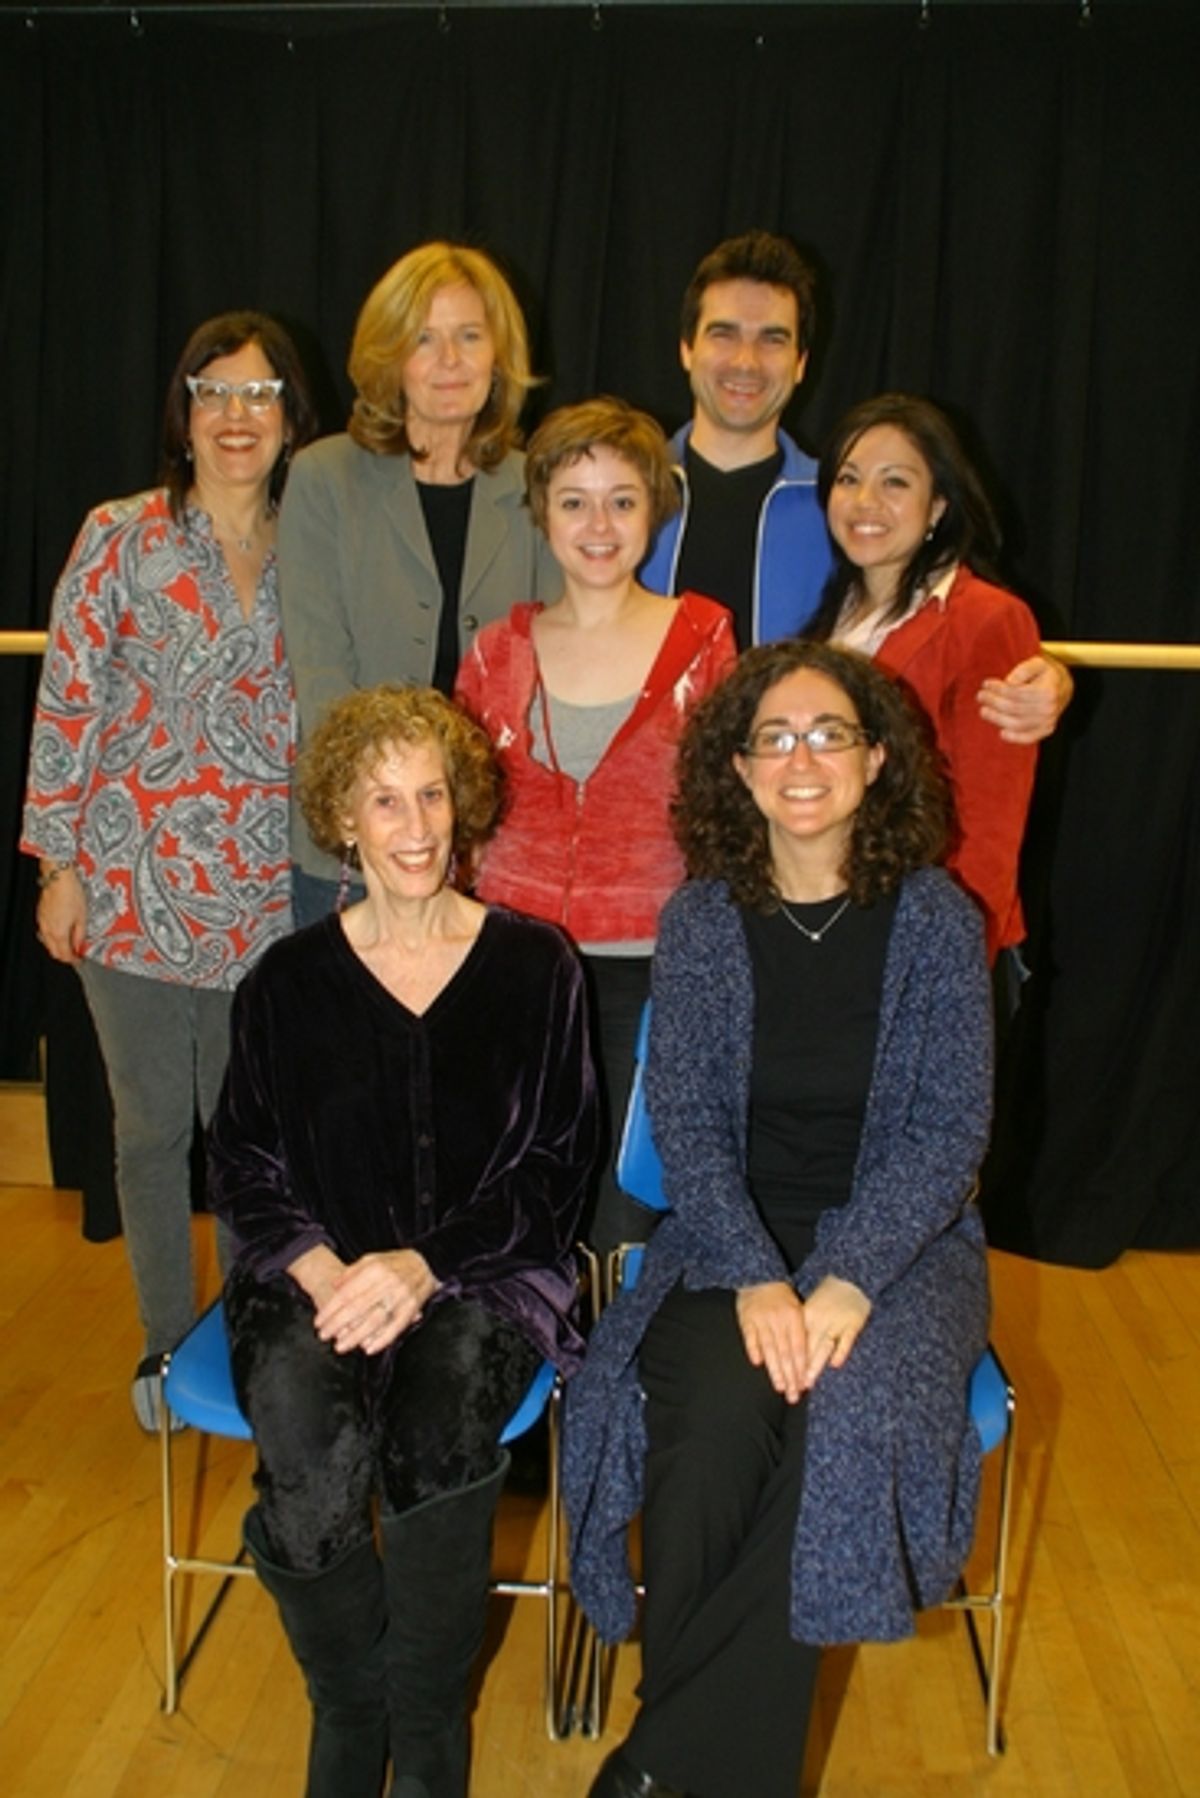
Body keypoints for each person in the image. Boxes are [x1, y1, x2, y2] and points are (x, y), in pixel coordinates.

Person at [564, 640, 993, 1798]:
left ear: (877, 760)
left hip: (898, 1253)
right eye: (775, 738)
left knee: (835, 1430)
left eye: (830, 733)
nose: (803, 758)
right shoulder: (702, 920)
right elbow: (691, 1129)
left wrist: (845, 1276)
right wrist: (758, 1273)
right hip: (726, 1240)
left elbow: (950, 1135)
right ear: (740, 772)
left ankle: (661, 1763)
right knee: (705, 1442)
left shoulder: (941, 919)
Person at [207, 684, 597, 1798]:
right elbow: (241, 1160)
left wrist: (420, 1265)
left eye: (433, 794)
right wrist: (330, 1272)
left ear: (465, 805)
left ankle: (426, 1728)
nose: (417, 826)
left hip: (486, 1274)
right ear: (342, 819)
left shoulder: (537, 965)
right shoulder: (286, 980)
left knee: (440, 1414)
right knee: (302, 1424)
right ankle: (349, 1707)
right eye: (385, 801)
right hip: (314, 1274)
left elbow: (557, 1170)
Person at [21, 310, 318, 1430]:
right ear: (182, 412)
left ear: (293, 418)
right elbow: (69, 701)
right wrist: (58, 861)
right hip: (130, 882)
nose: (236, 416)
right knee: (152, 1131)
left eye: (260, 394)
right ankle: (161, 1345)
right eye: (214, 391)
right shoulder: (120, 534)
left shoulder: (318, 535)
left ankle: (253, 1343)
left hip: (270, 893)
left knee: (251, 1134)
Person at [454, 398, 736, 1255]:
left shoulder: (705, 640)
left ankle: (611, 1381)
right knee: (514, 1195)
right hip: (512, 964)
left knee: (625, 1212)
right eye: (575, 500)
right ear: (542, 513)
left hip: (650, 968)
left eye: (622, 498)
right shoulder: (496, 651)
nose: (599, 523)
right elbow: (460, 816)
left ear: (655, 508)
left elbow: (731, 813)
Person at [640, 228, 1069, 745]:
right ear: (687, 348)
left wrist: (1047, 675)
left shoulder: (842, 511)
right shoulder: (624, 497)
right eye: (723, 333)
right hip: (636, 809)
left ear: (801, 363)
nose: (746, 361)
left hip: (793, 803)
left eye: (773, 339)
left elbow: (946, 613)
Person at [278, 240, 561, 923]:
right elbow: (321, 676)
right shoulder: (324, 478)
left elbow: (552, 663)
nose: (451, 361)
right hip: (358, 845)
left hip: (496, 845)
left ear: (499, 356)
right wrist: (394, 820)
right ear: (388, 357)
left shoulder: (535, 483)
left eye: (470, 336)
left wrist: (466, 821)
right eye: (425, 339)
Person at [809, 391, 1041, 963]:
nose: (866, 501)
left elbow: (990, 831)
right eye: (849, 478)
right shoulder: (830, 618)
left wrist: (956, 962)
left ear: (938, 504)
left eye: (895, 482)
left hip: (931, 942)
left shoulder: (988, 619)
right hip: (837, 930)